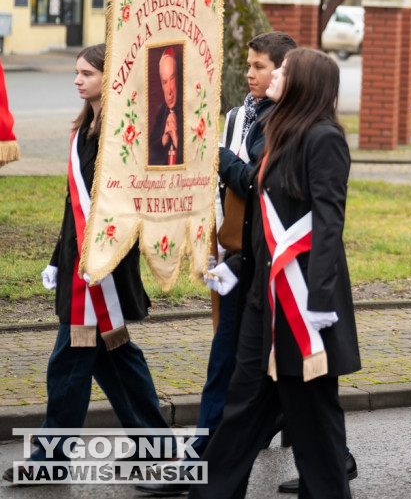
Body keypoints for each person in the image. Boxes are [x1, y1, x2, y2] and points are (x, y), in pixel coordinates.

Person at [190, 48, 360, 498]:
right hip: (264, 299)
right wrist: (235, 268)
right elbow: (264, 214)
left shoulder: (324, 138)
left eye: (283, 70)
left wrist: (319, 299)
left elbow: (328, 223)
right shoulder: (278, 130)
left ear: (302, 81)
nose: (274, 75)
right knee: (242, 407)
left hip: (304, 303)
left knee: (315, 420)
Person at [3, 44, 170, 483]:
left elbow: (130, 201)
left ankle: (50, 459)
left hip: (103, 269)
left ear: (109, 77)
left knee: (70, 361)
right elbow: (72, 203)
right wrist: (56, 259)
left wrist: (95, 258)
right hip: (78, 264)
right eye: (76, 73)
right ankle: (157, 447)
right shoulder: (83, 129)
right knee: (115, 359)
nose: (77, 80)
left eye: (87, 74)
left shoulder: (122, 133)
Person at [149, 47, 183, 166]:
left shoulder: (188, 107)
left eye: (172, 78)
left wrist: (176, 140)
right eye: (164, 82)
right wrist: (163, 140)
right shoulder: (163, 111)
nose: (169, 92)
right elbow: (148, 158)